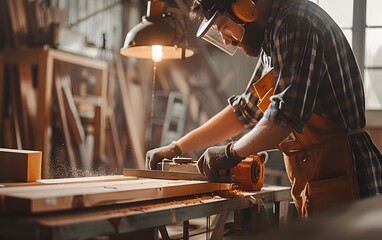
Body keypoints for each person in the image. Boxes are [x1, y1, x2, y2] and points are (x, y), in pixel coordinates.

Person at [146, 0, 382, 217]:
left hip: (345, 170)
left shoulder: (295, 23)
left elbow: (284, 117)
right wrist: (177, 147)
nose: (226, 40)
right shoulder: (272, 38)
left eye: (224, 26)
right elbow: (245, 112)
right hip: (317, 172)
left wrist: (230, 153)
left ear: (245, 8)